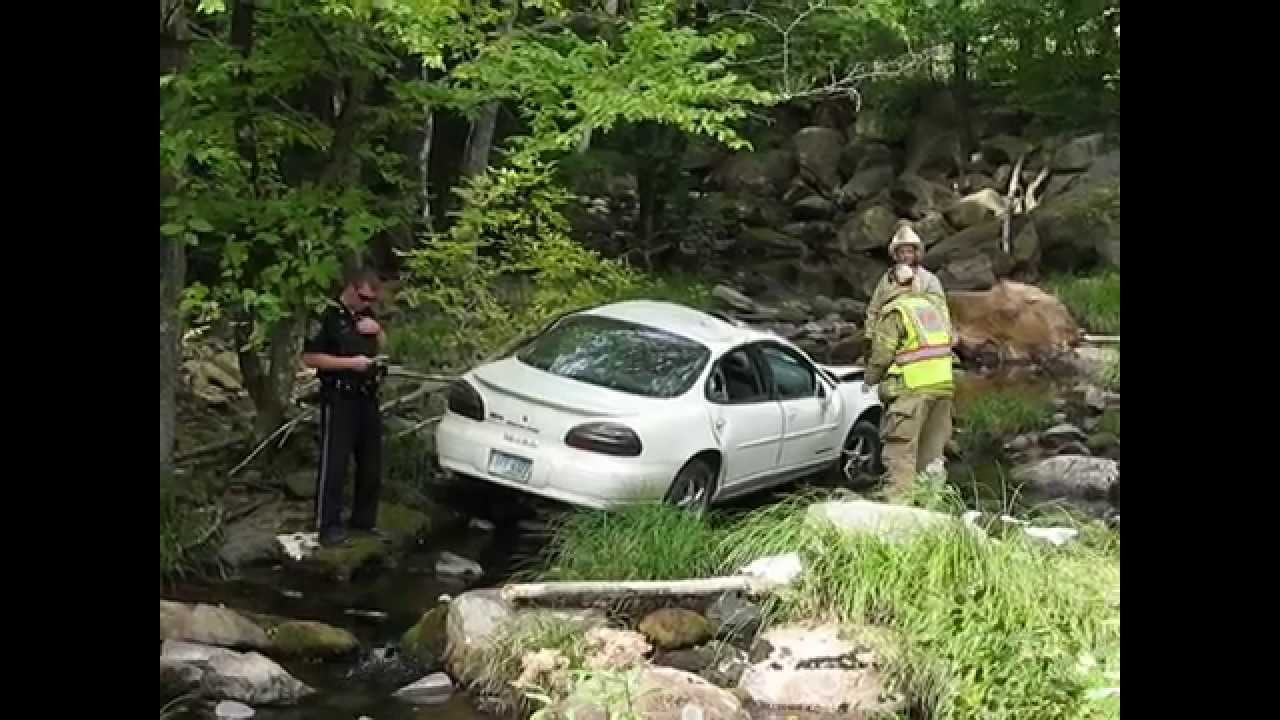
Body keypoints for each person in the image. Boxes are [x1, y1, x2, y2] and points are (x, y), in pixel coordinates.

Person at [301, 267, 388, 547]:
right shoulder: (327, 315)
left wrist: (379, 331)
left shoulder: (366, 316)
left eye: (372, 301)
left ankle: (364, 521)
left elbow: (382, 347)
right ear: (350, 289)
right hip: (339, 396)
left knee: (371, 462)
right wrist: (351, 364)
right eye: (363, 297)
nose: (367, 304)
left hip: (367, 395)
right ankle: (328, 525)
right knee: (335, 463)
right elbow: (311, 358)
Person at [863, 264, 955, 501]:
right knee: (932, 454)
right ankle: (932, 506)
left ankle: (899, 514)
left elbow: (882, 354)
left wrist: (869, 381)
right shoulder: (931, 308)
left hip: (913, 390)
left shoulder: (896, 311)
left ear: (892, 285)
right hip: (943, 387)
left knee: (900, 453)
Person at [864, 223, 947, 346]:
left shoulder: (929, 279)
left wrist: (945, 336)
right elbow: (874, 307)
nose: (905, 256)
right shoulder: (887, 279)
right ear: (896, 255)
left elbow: (940, 309)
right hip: (888, 333)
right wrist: (870, 335)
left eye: (909, 252)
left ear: (916, 254)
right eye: (901, 252)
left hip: (920, 335)